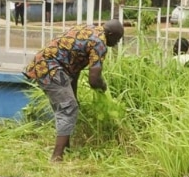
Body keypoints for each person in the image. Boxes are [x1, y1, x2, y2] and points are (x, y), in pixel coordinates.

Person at [23, 20, 124, 162]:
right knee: (68, 108)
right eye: (117, 39)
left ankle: (67, 148)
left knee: (70, 106)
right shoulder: (100, 43)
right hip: (51, 68)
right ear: (111, 34)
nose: (117, 43)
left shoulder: (88, 29)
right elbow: (94, 80)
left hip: (44, 63)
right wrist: (103, 86)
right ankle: (56, 158)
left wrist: (74, 95)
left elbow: (73, 69)